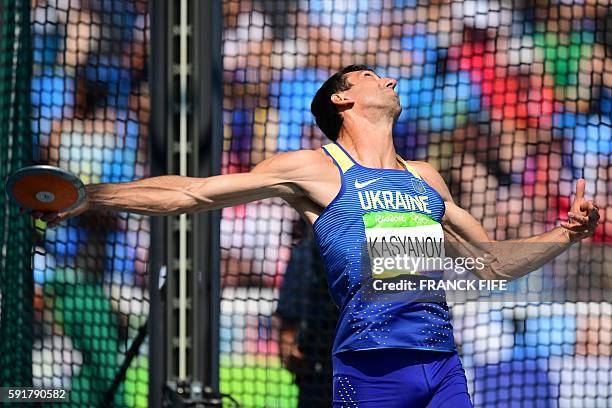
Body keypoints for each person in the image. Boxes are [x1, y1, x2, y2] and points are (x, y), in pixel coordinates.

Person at [38, 65, 601, 407]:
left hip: (443, 363)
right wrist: (92, 195)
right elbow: (195, 193)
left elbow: (494, 264)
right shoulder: (313, 168)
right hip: (370, 366)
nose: (392, 79)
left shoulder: (426, 178)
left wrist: (565, 235)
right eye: (373, 76)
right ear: (343, 98)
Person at [275, 219, 338, 407]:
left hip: (324, 353)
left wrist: (287, 338)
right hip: (319, 353)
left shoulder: (310, 248)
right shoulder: (310, 248)